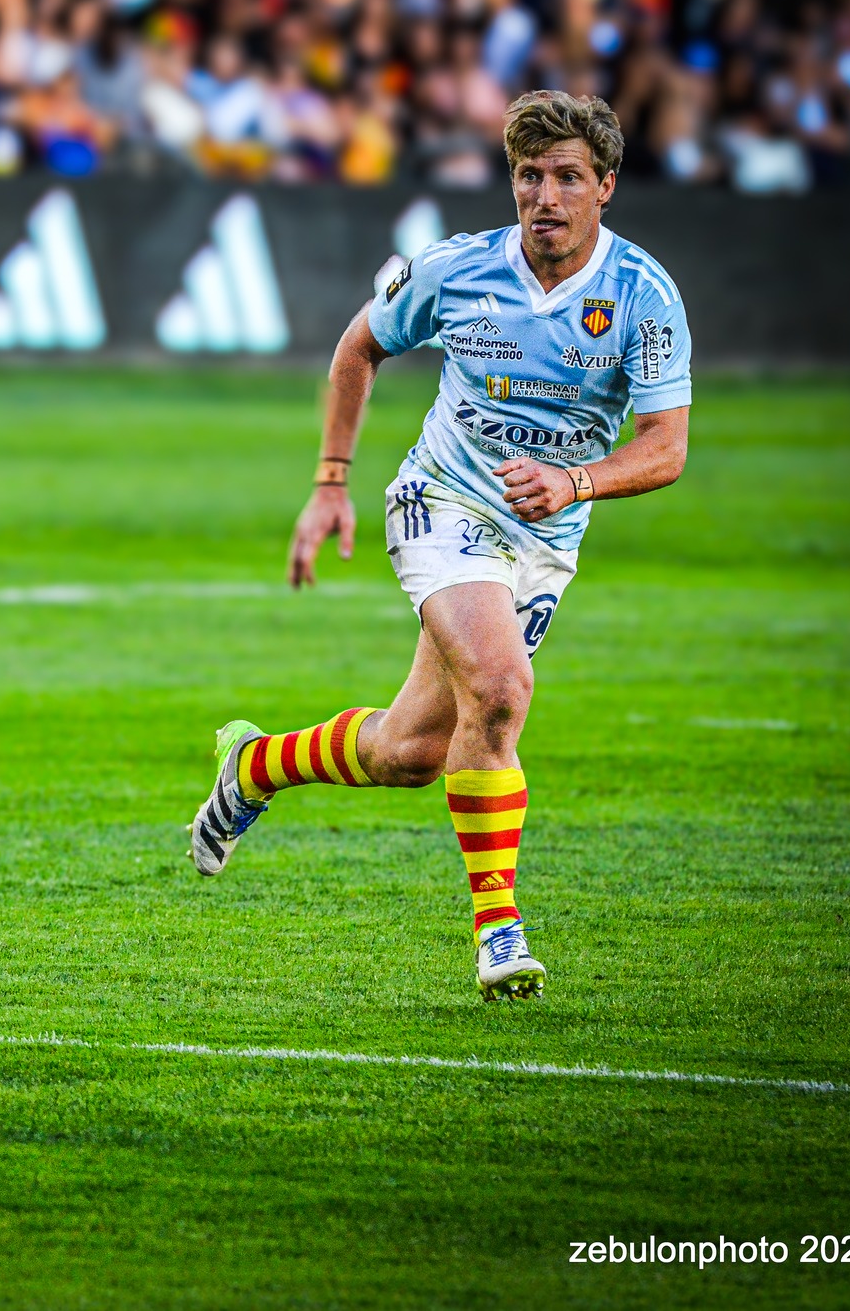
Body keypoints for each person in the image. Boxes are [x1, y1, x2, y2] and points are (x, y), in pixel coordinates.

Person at [189, 90, 693, 1001]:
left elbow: (667, 447)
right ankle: (499, 933)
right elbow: (357, 351)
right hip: (443, 500)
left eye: (567, 178)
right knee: (501, 689)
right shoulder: (456, 271)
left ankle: (256, 764)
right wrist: (332, 482)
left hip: (545, 534)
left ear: (605, 187)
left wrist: (574, 482)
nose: (545, 196)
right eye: (529, 176)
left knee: (413, 753)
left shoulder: (642, 296)